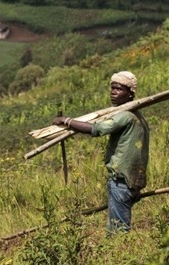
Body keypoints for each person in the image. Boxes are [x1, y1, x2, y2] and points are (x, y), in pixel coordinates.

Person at [52, 71, 150, 234]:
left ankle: (120, 249)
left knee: (118, 230)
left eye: (119, 89)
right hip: (133, 180)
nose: (113, 92)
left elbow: (97, 129)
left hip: (121, 180)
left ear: (130, 94)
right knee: (116, 226)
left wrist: (66, 121)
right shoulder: (138, 117)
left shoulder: (126, 116)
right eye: (112, 88)